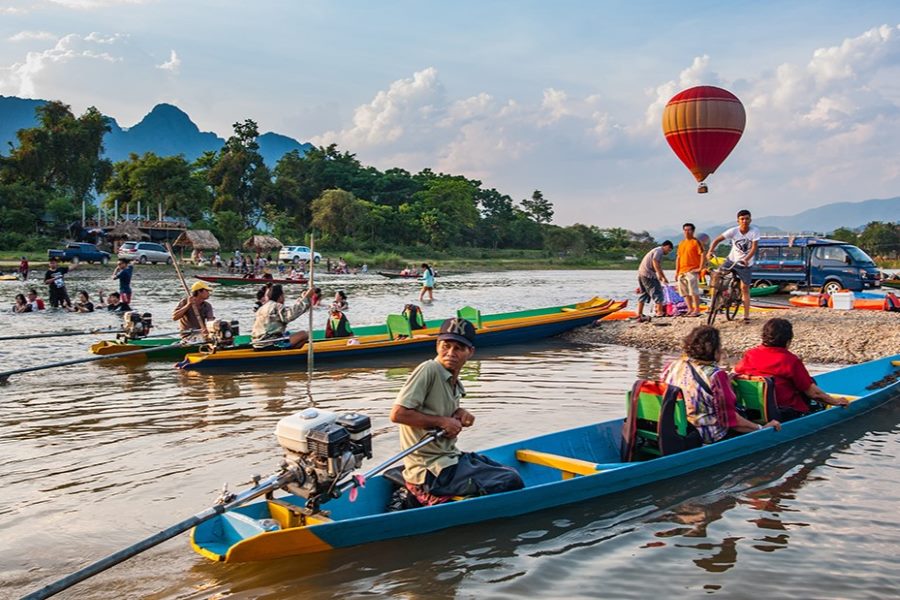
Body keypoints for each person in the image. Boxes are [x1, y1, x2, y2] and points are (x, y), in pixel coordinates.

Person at [390, 318, 524, 505]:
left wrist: (460, 413)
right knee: (511, 480)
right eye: (446, 346)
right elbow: (398, 414)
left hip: (450, 457)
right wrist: (442, 422)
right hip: (432, 470)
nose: (451, 353)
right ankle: (429, 494)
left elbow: (438, 410)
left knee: (507, 469)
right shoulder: (429, 369)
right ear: (437, 345)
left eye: (459, 348)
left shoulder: (453, 380)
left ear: (470, 352)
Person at [662, 325, 780, 444]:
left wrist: (724, 385)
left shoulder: (672, 366)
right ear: (715, 350)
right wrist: (761, 428)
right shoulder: (716, 376)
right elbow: (730, 420)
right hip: (709, 435)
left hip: (682, 429)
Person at [735, 318, 848, 421]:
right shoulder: (790, 361)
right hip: (785, 412)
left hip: (753, 412)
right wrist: (836, 401)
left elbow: (736, 373)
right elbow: (814, 394)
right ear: (788, 342)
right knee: (816, 396)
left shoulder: (750, 355)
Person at [707, 209, 760, 323]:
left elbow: (754, 248)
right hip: (732, 260)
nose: (744, 221)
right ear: (738, 221)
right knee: (717, 277)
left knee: (744, 288)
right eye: (742, 219)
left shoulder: (754, 231)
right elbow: (717, 240)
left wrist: (746, 259)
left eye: (746, 218)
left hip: (745, 263)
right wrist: (710, 251)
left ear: (750, 220)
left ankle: (746, 316)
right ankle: (714, 303)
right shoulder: (733, 231)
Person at [251, 284, 312, 348]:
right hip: (270, 344)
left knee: (287, 334)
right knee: (304, 334)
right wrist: (306, 297)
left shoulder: (263, 307)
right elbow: (291, 314)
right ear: (280, 297)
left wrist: (302, 298)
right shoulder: (276, 306)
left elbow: (292, 309)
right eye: (283, 296)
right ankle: (288, 353)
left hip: (257, 343)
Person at [635, 241, 673, 322]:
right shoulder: (659, 251)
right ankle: (659, 312)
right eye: (669, 250)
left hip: (642, 273)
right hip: (648, 274)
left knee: (645, 293)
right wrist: (661, 276)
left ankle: (639, 313)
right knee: (658, 292)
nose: (668, 252)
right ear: (666, 246)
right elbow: (655, 262)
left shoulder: (656, 250)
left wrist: (660, 276)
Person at [675, 223, 705, 317]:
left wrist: (700, 268)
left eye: (689, 230)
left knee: (693, 291)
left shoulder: (696, 242)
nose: (687, 232)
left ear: (693, 231)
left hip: (692, 269)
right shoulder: (681, 243)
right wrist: (676, 272)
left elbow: (703, 254)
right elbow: (678, 258)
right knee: (684, 292)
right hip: (682, 271)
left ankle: (697, 310)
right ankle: (690, 309)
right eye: (685, 230)